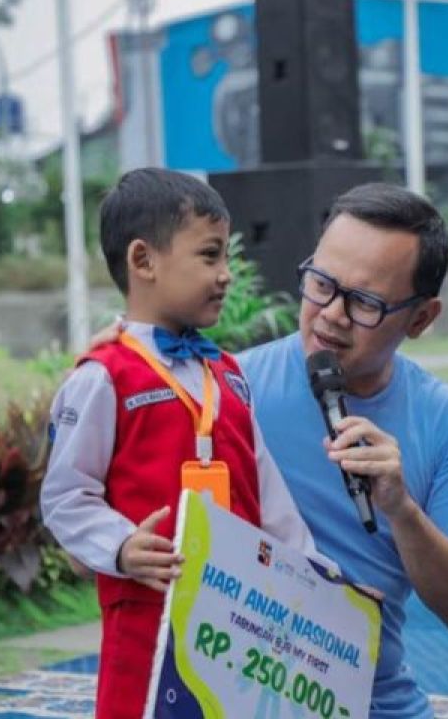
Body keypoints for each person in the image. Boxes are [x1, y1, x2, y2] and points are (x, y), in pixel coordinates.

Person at [40, 168, 322, 719]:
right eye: (210, 256)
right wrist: (120, 546)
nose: (225, 275)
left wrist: (319, 584)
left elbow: (267, 493)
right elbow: (64, 495)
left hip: (239, 627)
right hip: (147, 625)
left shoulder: (227, 374)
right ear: (143, 261)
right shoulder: (105, 376)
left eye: (226, 259)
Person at [237, 184, 448, 718]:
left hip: (373, 700)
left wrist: (401, 509)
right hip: (237, 690)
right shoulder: (231, 389)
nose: (331, 314)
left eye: (365, 302)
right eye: (321, 284)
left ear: (421, 319)